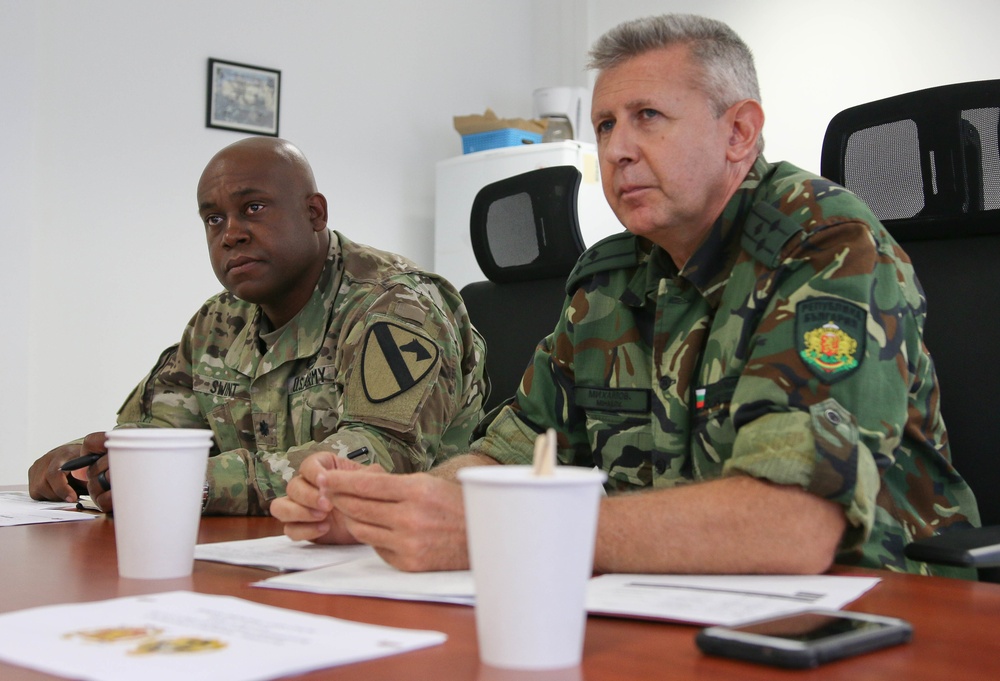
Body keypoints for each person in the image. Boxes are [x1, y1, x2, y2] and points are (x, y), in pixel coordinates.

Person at [271, 14, 980, 577]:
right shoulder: (608, 277)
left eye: (648, 117)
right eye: (606, 124)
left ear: (739, 132)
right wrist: (379, 509)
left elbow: (792, 524)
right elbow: (509, 451)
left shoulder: (825, 246)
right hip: (671, 601)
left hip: (879, 612)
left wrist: (497, 531)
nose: (616, 150)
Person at [28, 137, 487, 515]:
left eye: (253, 208)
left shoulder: (396, 305)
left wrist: (200, 483)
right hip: (255, 556)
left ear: (314, 214)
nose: (231, 233)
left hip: (400, 564)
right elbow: (162, 432)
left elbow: (382, 458)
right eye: (214, 219)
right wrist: (88, 463)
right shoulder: (217, 322)